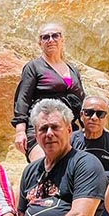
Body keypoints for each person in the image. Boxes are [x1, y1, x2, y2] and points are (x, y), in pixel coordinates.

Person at [12, 22, 84, 162]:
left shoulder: (73, 70)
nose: (51, 40)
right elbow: (23, 99)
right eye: (45, 37)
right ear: (40, 43)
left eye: (55, 36)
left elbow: (81, 101)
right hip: (42, 127)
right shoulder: (33, 67)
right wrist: (20, 131)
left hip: (68, 128)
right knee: (44, 165)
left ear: (63, 40)